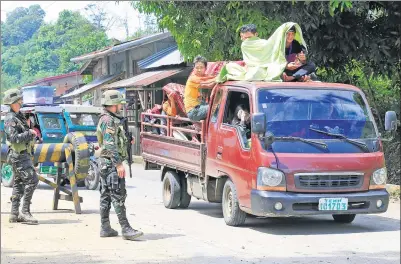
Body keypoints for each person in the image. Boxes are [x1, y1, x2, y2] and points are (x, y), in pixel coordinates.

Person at [96, 90, 143, 240]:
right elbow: (110, 145)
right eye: (119, 104)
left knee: (106, 196)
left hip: (105, 163)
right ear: (113, 104)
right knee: (118, 195)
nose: (121, 107)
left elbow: (115, 140)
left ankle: (105, 228)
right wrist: (118, 164)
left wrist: (127, 140)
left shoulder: (110, 119)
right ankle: (126, 229)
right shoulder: (108, 120)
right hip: (110, 164)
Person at [3, 89, 39, 225]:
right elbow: (12, 138)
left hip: (22, 154)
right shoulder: (11, 118)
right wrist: (29, 133)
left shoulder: (19, 116)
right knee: (33, 180)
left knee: (18, 183)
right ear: (13, 103)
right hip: (18, 156)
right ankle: (25, 212)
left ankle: (14, 214)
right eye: (19, 101)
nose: (21, 102)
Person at [184, 56, 216, 121]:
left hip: (200, 107)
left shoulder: (205, 76)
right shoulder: (192, 79)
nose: (199, 70)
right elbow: (209, 85)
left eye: (201, 67)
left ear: (205, 68)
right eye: (197, 68)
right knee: (217, 108)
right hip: (193, 112)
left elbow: (212, 77)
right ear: (193, 68)